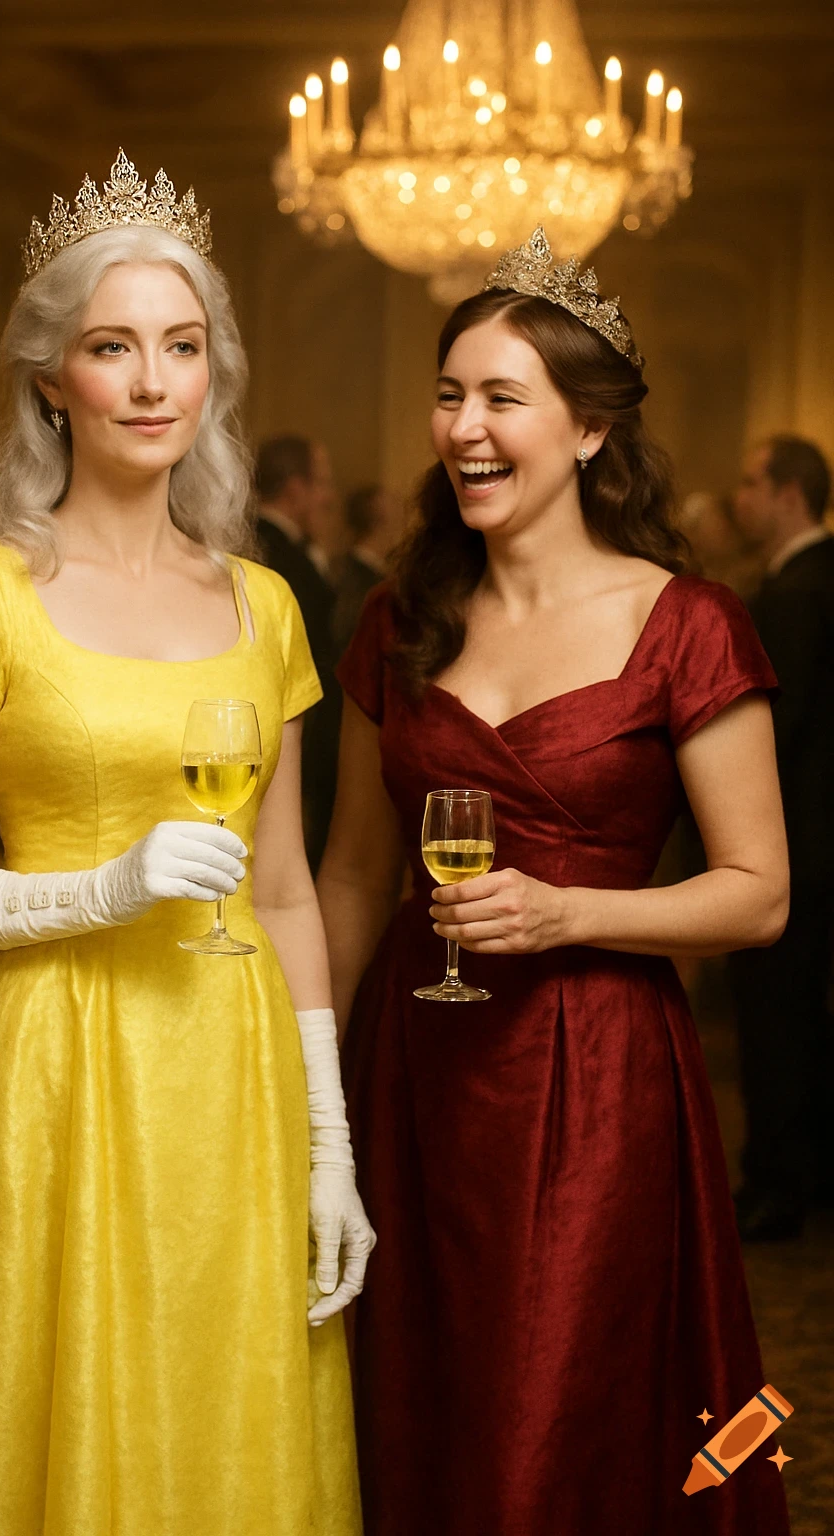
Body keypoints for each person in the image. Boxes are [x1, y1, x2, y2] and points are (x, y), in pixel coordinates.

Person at [0, 154, 372, 1536]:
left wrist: (329, 1139)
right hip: (45, 1071)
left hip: (228, 1078)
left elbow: (290, 889)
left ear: (213, 374)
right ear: (52, 376)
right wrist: (99, 887)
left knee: (214, 1432)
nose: (150, 381)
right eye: (112, 347)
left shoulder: (263, 605)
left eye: (180, 348)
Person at [317, 230, 790, 1536]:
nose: (464, 428)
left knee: (552, 1410)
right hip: (414, 1072)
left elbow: (759, 893)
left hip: (597, 1080)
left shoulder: (686, 623)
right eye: (449, 395)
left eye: (500, 399)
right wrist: (301, 1083)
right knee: (417, 1402)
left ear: (587, 431)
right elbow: (353, 877)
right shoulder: (397, 620)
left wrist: (568, 912)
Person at [727, 434, 834, 1240]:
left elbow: (780, 728)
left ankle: (782, 1183)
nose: (739, 497)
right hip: (807, 838)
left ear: (790, 492)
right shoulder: (802, 579)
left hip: (793, 839)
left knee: (780, 1017)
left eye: (751, 482)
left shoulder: (800, 590)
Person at [255, 435, 340, 869]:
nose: (328, 497)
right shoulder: (281, 560)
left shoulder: (262, 544)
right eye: (321, 483)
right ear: (294, 489)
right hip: (292, 735)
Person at [333, 484, 405, 656]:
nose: (402, 528)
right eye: (396, 519)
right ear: (378, 525)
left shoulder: (347, 570)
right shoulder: (361, 582)